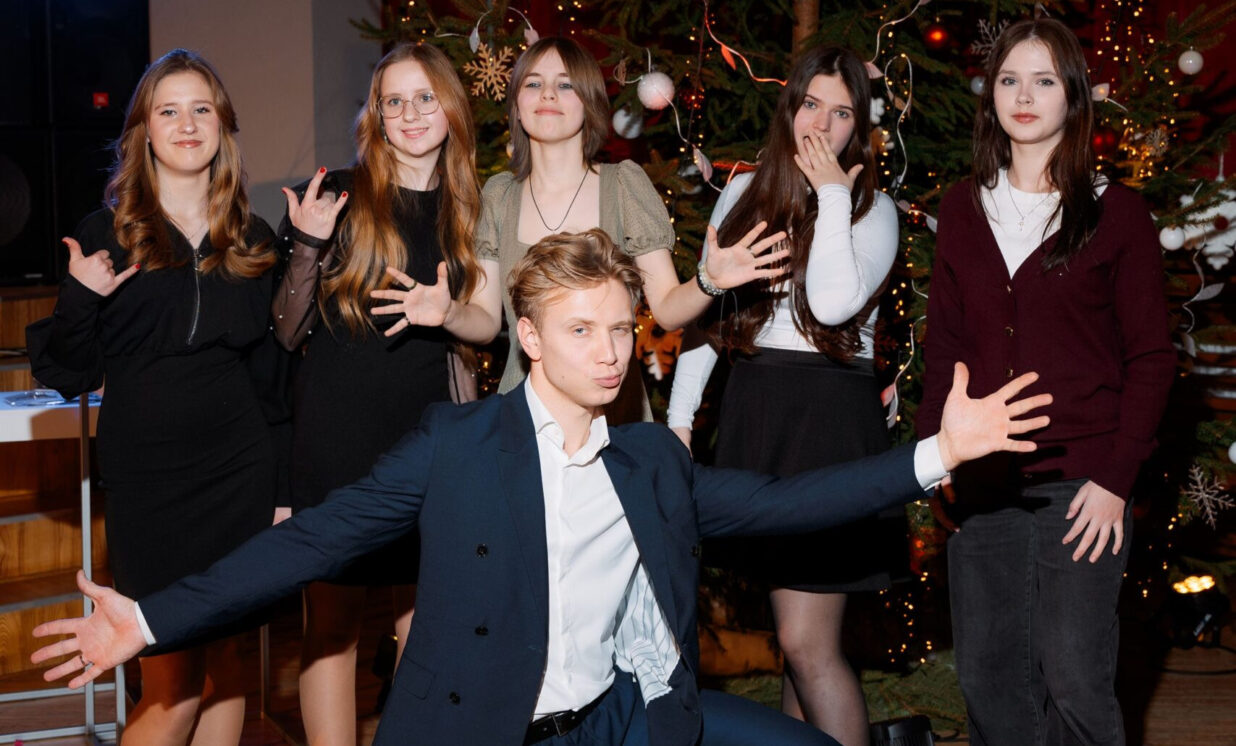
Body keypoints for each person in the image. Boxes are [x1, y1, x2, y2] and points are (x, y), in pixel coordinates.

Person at [33, 230, 1050, 746]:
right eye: (580, 330)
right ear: (527, 335)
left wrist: (938, 452)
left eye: (620, 330)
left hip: (616, 719)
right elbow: (315, 539)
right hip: (483, 726)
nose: (610, 353)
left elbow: (784, 505)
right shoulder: (457, 446)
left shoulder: (650, 460)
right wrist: (151, 620)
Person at [915, 17, 1175, 746]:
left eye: (1044, 80)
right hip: (981, 479)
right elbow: (947, 347)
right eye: (1009, 80)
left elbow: (1152, 359)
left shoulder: (1119, 213)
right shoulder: (961, 207)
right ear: (990, 93)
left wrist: (1116, 480)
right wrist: (934, 458)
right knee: (989, 681)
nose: (1024, 97)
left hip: (1084, 482)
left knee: (1074, 681)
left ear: (1073, 96)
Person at [24, 49, 279, 745]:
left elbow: (271, 374)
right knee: (170, 680)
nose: (187, 124)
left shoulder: (251, 238)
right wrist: (80, 298)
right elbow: (67, 371)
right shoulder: (106, 235)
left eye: (202, 109)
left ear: (223, 127)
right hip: (149, 482)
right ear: (143, 131)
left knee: (228, 663)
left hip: (239, 472)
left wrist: (284, 489)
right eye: (168, 110)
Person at [667, 45, 899, 745]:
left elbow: (830, 305)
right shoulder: (743, 193)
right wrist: (679, 420)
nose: (821, 125)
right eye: (811, 105)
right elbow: (711, 316)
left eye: (842, 113)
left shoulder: (875, 210)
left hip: (829, 422)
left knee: (805, 642)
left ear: (859, 127)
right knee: (794, 641)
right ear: (790, 105)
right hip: (759, 412)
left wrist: (831, 194)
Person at [271, 42, 500, 746]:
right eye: (393, 100)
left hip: (429, 442)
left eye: (425, 97)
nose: (410, 113)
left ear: (451, 107)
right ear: (375, 115)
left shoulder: (471, 208)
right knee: (332, 625)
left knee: (426, 623)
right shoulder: (336, 196)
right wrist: (306, 245)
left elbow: (486, 326)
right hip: (335, 440)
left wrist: (449, 313)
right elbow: (285, 331)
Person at [478, 36, 789, 423]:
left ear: (590, 102)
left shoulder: (624, 185)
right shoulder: (499, 195)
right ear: (516, 103)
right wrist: (444, 311)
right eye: (533, 83)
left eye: (565, 84)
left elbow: (668, 310)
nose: (548, 94)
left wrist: (709, 281)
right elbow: (484, 321)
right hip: (521, 416)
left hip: (613, 416)